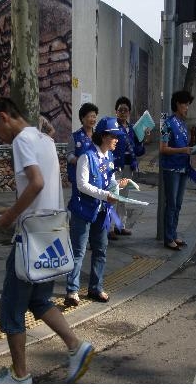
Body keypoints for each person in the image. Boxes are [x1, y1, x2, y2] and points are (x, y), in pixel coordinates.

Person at [0, 97, 94, 384]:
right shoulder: (45, 139)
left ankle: (20, 377)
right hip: (51, 233)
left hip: (30, 238)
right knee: (40, 299)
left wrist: (9, 216)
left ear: (3, 117)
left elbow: (36, 183)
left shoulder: (21, 140)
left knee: (11, 310)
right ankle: (76, 346)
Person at [65, 117, 128, 307]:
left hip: (102, 211)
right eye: (114, 136)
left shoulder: (109, 157)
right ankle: (72, 291)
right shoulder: (86, 156)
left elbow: (108, 182)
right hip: (83, 211)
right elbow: (82, 185)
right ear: (103, 136)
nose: (117, 140)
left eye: (117, 136)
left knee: (101, 250)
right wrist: (105, 194)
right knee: (78, 251)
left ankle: (95, 288)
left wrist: (118, 185)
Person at [160, 90, 196, 251]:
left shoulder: (183, 124)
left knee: (179, 204)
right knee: (172, 203)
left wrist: (192, 147)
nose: (187, 108)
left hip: (183, 168)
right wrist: (183, 150)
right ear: (177, 104)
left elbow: (185, 147)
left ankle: (174, 234)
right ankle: (168, 237)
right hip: (171, 168)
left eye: (188, 105)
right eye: (185, 104)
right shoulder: (167, 124)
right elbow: (163, 149)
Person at [108, 97, 146, 240]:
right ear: (116, 112)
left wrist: (143, 139)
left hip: (128, 166)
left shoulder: (133, 129)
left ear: (129, 112)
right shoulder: (112, 127)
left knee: (123, 197)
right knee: (113, 197)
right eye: (120, 110)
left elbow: (138, 150)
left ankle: (120, 226)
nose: (123, 113)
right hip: (114, 166)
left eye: (125, 110)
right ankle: (110, 228)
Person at [66, 103, 99, 183]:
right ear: (82, 118)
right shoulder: (75, 136)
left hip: (95, 175)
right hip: (79, 175)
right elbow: (69, 155)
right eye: (89, 116)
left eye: (94, 117)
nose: (92, 119)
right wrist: (79, 161)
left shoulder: (98, 136)